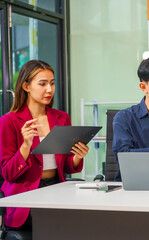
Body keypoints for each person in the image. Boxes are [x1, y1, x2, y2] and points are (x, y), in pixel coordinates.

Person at [0, 60, 89, 232]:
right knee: (49, 223)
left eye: (52, 83)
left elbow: (67, 166)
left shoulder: (61, 118)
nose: (49, 89)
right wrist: (25, 146)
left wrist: (78, 156)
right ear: (26, 86)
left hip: (57, 188)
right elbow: (8, 173)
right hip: (25, 195)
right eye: (42, 84)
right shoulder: (8, 121)